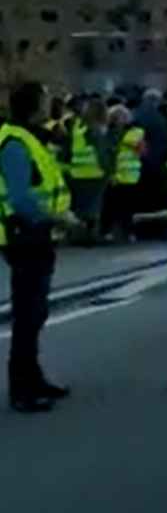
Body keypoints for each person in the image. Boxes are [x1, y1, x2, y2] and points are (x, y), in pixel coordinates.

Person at [2, 82, 76, 413]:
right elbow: (20, 198)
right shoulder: (16, 142)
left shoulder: (27, 137)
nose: (50, 105)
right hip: (26, 235)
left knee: (35, 312)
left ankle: (33, 377)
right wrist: (59, 218)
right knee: (28, 313)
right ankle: (22, 388)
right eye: (45, 100)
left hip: (35, 235)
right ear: (35, 106)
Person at [61, 98, 111, 242]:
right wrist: (108, 169)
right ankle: (90, 236)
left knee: (80, 207)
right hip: (95, 173)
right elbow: (101, 152)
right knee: (93, 207)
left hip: (77, 172)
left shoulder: (77, 126)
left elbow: (69, 150)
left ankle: (76, 235)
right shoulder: (96, 129)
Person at [105, 104, 146, 241]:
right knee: (113, 205)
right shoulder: (109, 133)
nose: (119, 120)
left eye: (122, 116)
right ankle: (111, 231)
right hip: (115, 175)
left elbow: (143, 151)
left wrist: (131, 145)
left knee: (129, 207)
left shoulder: (137, 131)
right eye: (116, 117)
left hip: (131, 176)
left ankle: (129, 232)